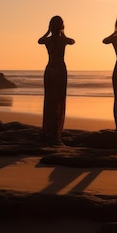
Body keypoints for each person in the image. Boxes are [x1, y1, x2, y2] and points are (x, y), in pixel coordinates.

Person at [38, 15, 75, 144]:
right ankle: (56, 129)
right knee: (59, 99)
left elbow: (40, 40)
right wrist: (63, 32)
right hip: (60, 70)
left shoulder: (48, 41)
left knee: (49, 100)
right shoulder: (63, 40)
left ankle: (48, 129)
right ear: (61, 26)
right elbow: (72, 41)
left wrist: (48, 31)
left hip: (50, 69)